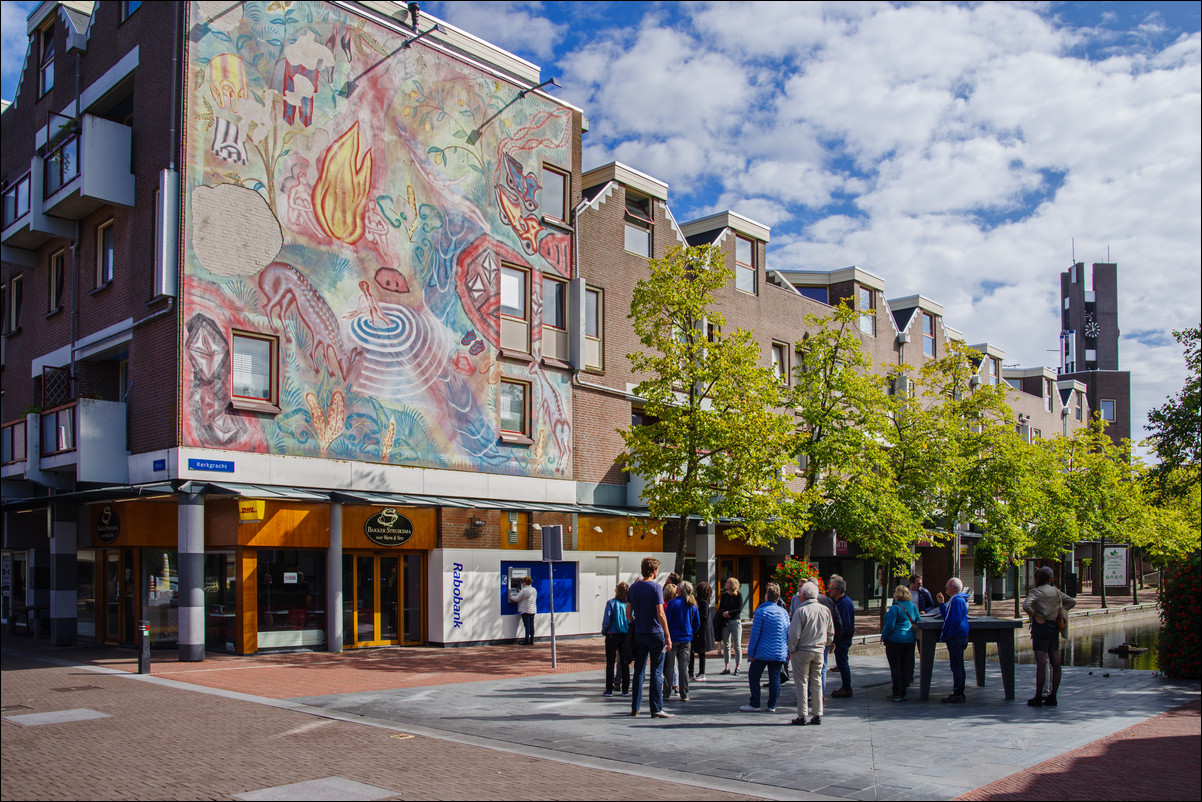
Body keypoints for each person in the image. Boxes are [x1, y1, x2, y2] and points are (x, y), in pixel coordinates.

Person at [626, 557, 674, 719]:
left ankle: (635, 707)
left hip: (639, 633)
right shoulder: (656, 588)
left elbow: (628, 614)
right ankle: (656, 708)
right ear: (654, 570)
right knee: (656, 670)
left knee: (639, 670)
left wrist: (636, 623)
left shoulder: (633, 588)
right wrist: (667, 635)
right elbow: (660, 613)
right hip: (656, 633)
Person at [1022, 566, 1077, 707]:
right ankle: (1053, 696)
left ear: (1037, 579)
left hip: (1041, 628)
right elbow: (1071, 601)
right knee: (1055, 662)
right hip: (1053, 627)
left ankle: (1038, 696)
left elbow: (1026, 605)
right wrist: (1060, 611)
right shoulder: (1056, 591)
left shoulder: (1036, 591)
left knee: (1041, 663)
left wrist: (1035, 615)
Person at [788, 581, 834, 725]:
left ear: (804, 596)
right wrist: (824, 645)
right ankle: (817, 713)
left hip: (803, 650)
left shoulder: (800, 611)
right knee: (817, 681)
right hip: (819, 650)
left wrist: (792, 649)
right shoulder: (824, 610)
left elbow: (794, 634)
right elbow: (830, 632)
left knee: (801, 682)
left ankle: (802, 715)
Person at [739, 582, 789, 713]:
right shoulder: (784, 612)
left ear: (766, 596)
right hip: (778, 651)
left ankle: (755, 702)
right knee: (775, 678)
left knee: (754, 676)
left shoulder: (761, 612)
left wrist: (751, 653)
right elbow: (787, 632)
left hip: (762, 651)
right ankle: (772, 705)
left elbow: (755, 635)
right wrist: (787, 651)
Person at [881, 585, 919, 702]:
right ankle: (904, 690)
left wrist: (884, 637)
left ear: (897, 595)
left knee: (895, 667)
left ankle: (897, 692)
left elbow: (889, 626)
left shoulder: (895, 608)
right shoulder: (912, 606)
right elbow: (918, 620)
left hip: (895, 641)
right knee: (905, 666)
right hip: (909, 640)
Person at [664, 580, 700, 702]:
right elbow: (697, 623)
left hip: (673, 638)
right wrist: (690, 632)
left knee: (669, 666)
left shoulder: (673, 603)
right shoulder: (692, 604)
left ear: (681, 590)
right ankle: (685, 693)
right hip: (686, 638)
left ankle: (666, 692)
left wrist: (666, 635)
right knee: (683, 667)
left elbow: (667, 620)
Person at [936, 576, 970, 703]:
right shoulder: (956, 600)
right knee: (957, 664)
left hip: (957, 637)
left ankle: (958, 692)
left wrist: (948, 634)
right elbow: (948, 617)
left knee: (957, 665)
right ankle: (959, 691)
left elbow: (954, 620)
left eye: (947, 585)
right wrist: (941, 604)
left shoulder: (957, 601)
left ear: (954, 588)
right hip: (959, 636)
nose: (945, 588)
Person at [601, 582, 631, 697]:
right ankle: (625, 690)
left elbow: (606, 620)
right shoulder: (629, 604)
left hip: (612, 635)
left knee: (610, 663)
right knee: (624, 662)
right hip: (625, 636)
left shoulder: (611, 603)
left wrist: (604, 631)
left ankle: (609, 689)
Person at [828, 575, 855, 698]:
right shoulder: (839, 602)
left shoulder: (844, 603)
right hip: (842, 638)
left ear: (839, 590)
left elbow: (843, 625)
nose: (829, 590)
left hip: (843, 639)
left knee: (842, 662)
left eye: (832, 588)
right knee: (842, 662)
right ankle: (846, 686)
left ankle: (846, 687)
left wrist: (835, 641)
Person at [690, 581, 716, 682]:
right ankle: (697, 671)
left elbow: (704, 616)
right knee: (699, 652)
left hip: (701, 631)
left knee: (699, 652)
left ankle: (701, 672)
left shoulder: (702, 603)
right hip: (701, 630)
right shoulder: (703, 601)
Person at [717, 578, 744, 675]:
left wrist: (729, 613)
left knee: (737, 645)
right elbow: (721, 608)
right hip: (725, 622)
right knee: (726, 645)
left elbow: (739, 609)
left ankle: (738, 666)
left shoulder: (738, 595)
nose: (726, 584)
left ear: (733, 584)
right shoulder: (724, 596)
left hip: (735, 621)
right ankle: (727, 666)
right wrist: (723, 614)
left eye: (728, 582)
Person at [510, 575, 537, 645]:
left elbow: (517, 599)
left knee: (527, 625)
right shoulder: (534, 590)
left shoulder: (524, 590)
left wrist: (511, 597)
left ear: (525, 583)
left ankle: (526, 640)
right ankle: (532, 640)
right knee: (531, 625)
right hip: (532, 610)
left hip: (525, 610)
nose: (522, 583)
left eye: (523, 582)